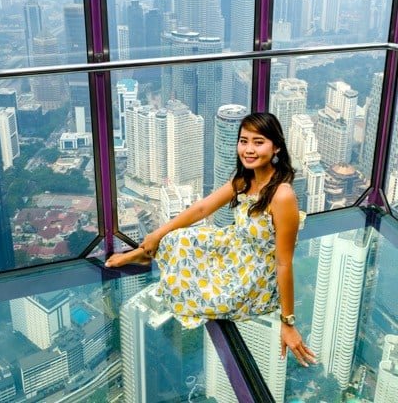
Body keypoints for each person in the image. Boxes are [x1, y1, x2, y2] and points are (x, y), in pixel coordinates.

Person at [106, 112, 316, 367]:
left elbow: (284, 263)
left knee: (205, 293)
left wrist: (288, 322)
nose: (248, 149)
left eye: (258, 142)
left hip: (256, 274)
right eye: (244, 141)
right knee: (176, 238)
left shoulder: (282, 196)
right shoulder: (245, 179)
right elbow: (203, 208)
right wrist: (157, 234)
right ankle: (143, 253)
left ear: (277, 147)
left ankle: (146, 255)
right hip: (236, 246)